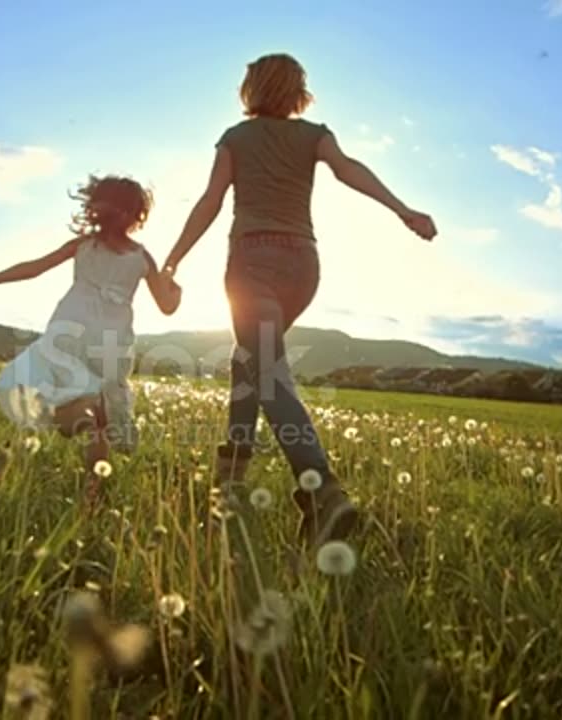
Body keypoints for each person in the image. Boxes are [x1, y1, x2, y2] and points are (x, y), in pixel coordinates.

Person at [161, 53, 437, 548]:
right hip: (302, 268)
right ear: (298, 91)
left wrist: (174, 258)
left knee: (264, 370)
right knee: (249, 362)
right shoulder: (314, 135)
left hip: (252, 262)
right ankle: (229, 487)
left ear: (251, 89)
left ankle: (322, 490)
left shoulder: (235, 138)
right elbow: (348, 169)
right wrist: (403, 210)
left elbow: (211, 201)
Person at [0, 174, 182, 503]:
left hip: (72, 330)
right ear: (137, 215)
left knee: (72, 400)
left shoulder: (84, 245)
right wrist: (175, 290)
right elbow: (167, 307)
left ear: (96, 208)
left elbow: (35, 268)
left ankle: (79, 422)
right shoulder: (142, 257)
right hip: (111, 342)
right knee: (101, 417)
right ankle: (92, 495)